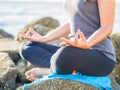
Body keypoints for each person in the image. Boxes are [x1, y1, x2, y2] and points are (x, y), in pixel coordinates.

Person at [19, 0, 116, 82]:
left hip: (102, 57)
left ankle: (48, 71)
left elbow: (107, 28)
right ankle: (58, 67)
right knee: (27, 47)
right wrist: (44, 38)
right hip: (76, 52)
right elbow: (72, 23)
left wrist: (87, 44)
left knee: (64, 54)